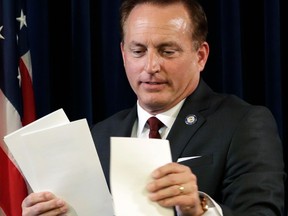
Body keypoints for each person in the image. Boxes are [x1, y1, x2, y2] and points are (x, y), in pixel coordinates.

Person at [21, 0, 286, 215]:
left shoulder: (244, 123)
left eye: (167, 51)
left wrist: (200, 209)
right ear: (124, 54)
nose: (150, 67)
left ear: (201, 56)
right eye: (138, 51)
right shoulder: (99, 136)